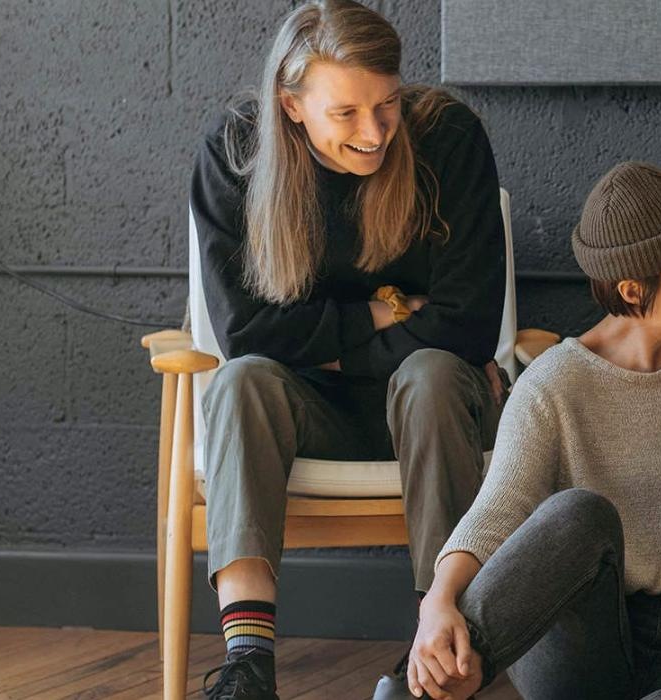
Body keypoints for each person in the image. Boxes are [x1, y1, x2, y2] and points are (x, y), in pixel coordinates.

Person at [398, 162, 661, 700]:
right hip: (579, 644)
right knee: (578, 513)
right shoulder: (554, 383)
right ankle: (424, 689)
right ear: (632, 288)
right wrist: (437, 601)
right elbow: (497, 513)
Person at [188, 1, 506, 697]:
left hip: (437, 410)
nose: (375, 133)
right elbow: (244, 332)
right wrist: (381, 310)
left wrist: (319, 343)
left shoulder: (448, 138)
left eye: (388, 105)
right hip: (307, 414)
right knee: (241, 382)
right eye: (347, 114)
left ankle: (439, 640)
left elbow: (468, 327)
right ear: (292, 106)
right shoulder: (235, 154)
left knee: (429, 375)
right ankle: (247, 664)